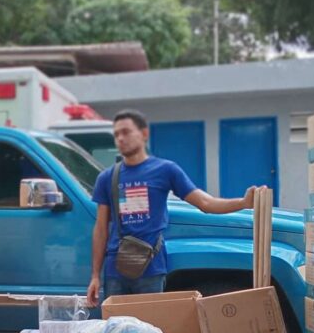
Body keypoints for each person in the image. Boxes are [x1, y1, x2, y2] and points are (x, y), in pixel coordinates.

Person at [86, 110, 261, 307]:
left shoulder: (166, 170)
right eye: (116, 134)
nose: (120, 138)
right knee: (116, 331)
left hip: (151, 268)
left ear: (144, 134)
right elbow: (101, 228)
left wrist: (243, 203)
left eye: (126, 132)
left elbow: (205, 203)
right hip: (116, 270)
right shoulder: (106, 178)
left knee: (148, 331)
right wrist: (95, 276)